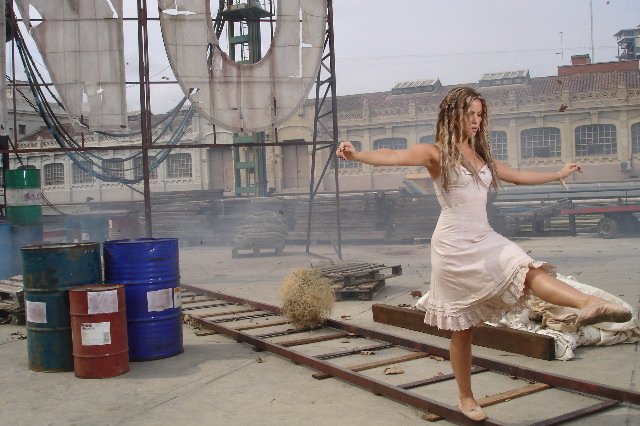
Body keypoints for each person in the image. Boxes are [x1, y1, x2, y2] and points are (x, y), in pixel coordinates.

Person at [336, 86, 633, 422]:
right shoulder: (436, 153)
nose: (476, 121)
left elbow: (518, 176)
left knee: (527, 269)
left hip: (484, 237)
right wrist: (357, 155)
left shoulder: (482, 157)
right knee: (462, 329)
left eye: (479, 115)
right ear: (453, 116)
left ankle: (587, 304)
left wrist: (558, 174)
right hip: (453, 247)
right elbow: (393, 155)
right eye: (470, 114)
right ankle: (466, 397)